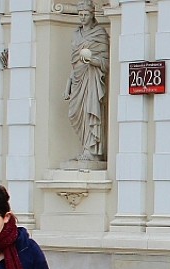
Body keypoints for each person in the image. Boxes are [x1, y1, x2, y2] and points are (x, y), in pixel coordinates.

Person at [64, 0, 109, 161]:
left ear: (92, 14)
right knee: (74, 113)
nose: (82, 18)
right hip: (77, 78)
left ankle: (92, 151)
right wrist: (68, 85)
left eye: (85, 14)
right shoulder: (76, 34)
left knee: (91, 111)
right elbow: (74, 63)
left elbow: (106, 62)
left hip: (92, 78)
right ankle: (85, 148)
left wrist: (93, 60)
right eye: (80, 15)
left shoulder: (100, 34)